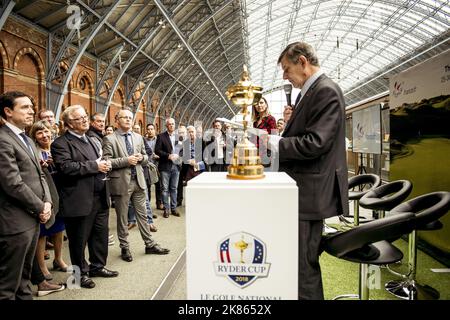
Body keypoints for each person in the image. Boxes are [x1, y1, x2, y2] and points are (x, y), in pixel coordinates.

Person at [275, 42, 349, 300]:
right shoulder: (313, 91)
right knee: (300, 264)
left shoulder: (325, 91)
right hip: (304, 193)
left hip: (309, 195)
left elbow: (315, 143)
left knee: (304, 268)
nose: (284, 76)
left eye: (286, 69)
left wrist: (276, 144)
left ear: (303, 62)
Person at [52, 105, 119, 289]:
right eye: (78, 118)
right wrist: (95, 166)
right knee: (78, 240)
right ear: (68, 124)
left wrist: (103, 165)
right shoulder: (60, 143)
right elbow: (66, 168)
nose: (84, 120)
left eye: (84, 116)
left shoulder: (91, 139)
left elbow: (98, 161)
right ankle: (79, 275)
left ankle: (98, 266)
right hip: (79, 200)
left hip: (100, 196)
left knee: (100, 236)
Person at [0, 91, 52, 299]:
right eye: (25, 107)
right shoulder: (3, 140)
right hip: (15, 222)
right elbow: (12, 183)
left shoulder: (27, 139)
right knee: (8, 285)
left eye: (31, 107)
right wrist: (40, 207)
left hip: (32, 218)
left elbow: (40, 175)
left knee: (24, 279)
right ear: (8, 111)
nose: (31, 111)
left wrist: (47, 202)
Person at [103, 108, 170, 262]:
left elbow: (148, 157)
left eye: (130, 118)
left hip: (139, 181)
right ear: (116, 120)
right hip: (121, 183)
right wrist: (126, 160)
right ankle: (125, 247)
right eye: (124, 117)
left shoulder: (138, 137)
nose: (128, 120)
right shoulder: (109, 139)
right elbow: (106, 162)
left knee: (143, 215)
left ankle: (149, 244)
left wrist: (142, 157)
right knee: (122, 218)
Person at [29, 120, 68, 280]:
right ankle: (42, 266)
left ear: (52, 131)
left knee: (59, 229)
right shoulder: (33, 151)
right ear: (35, 136)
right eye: (40, 133)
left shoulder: (58, 148)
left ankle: (58, 259)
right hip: (44, 196)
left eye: (46, 131)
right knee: (43, 232)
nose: (44, 135)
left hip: (61, 193)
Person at [155, 118, 182, 218]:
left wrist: (179, 158)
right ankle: (166, 209)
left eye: (173, 124)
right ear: (166, 126)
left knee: (174, 188)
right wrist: (168, 156)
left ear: (175, 125)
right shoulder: (161, 136)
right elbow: (157, 150)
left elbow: (182, 150)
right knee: (165, 189)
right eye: (169, 124)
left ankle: (174, 208)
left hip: (176, 166)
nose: (171, 125)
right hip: (165, 166)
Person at [252, 97, 276, 165]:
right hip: (255, 153)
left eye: (261, 102)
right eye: (256, 104)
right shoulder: (255, 122)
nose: (259, 105)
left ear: (266, 105)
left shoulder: (271, 119)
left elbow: (274, 137)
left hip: (266, 153)